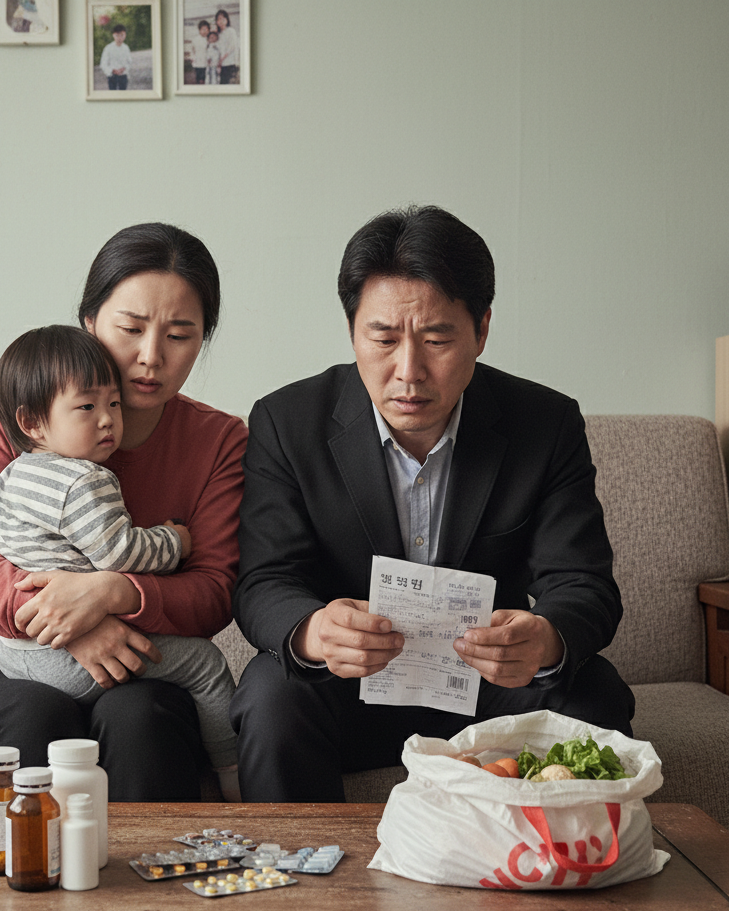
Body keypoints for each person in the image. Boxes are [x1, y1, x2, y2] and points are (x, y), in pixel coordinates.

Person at [230, 204, 633, 802]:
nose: (409, 371)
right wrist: (314, 631)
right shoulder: (287, 422)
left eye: (437, 338)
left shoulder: (544, 424)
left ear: (482, 330)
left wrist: (544, 639)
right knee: (270, 693)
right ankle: (294, 885)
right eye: (384, 339)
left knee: (594, 693)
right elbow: (266, 579)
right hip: (348, 687)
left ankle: (566, 878)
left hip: (490, 688)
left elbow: (583, 583)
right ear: (352, 332)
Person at [0, 223, 247, 801]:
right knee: (36, 723)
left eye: (180, 334)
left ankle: (147, 892)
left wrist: (113, 594)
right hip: (13, 667)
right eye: (130, 328)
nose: (150, 357)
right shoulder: (22, 414)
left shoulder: (219, 439)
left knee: (142, 723)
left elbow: (215, 590)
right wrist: (67, 625)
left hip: (143, 668)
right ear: (90, 323)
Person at [0, 324, 240, 798]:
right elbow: (120, 552)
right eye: (88, 408)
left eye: (113, 405)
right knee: (205, 664)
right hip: (62, 657)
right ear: (32, 422)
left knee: (136, 717)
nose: (107, 421)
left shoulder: (11, 475)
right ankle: (232, 774)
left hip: (14, 652)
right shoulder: (85, 480)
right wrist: (176, 540)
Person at [99, 24, 131, 91]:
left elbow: (129, 62)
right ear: (113, 35)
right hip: (112, 76)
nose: (119, 38)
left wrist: (124, 69)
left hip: (123, 75)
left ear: (125, 35)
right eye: (117, 35)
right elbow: (103, 63)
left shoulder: (126, 48)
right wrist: (112, 70)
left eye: (122, 35)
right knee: (113, 95)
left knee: (123, 96)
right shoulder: (108, 48)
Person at [215, 9, 239, 85]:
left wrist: (222, 59)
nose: (221, 21)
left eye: (223, 18)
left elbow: (231, 47)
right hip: (221, 66)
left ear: (227, 20)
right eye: (218, 19)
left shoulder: (231, 31)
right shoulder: (218, 34)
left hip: (230, 64)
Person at [191, 20, 210, 85]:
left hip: (206, 63)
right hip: (197, 62)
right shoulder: (195, 39)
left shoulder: (209, 39)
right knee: (199, 79)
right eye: (203, 29)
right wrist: (192, 58)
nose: (205, 31)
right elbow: (192, 49)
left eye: (206, 29)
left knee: (205, 78)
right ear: (199, 30)